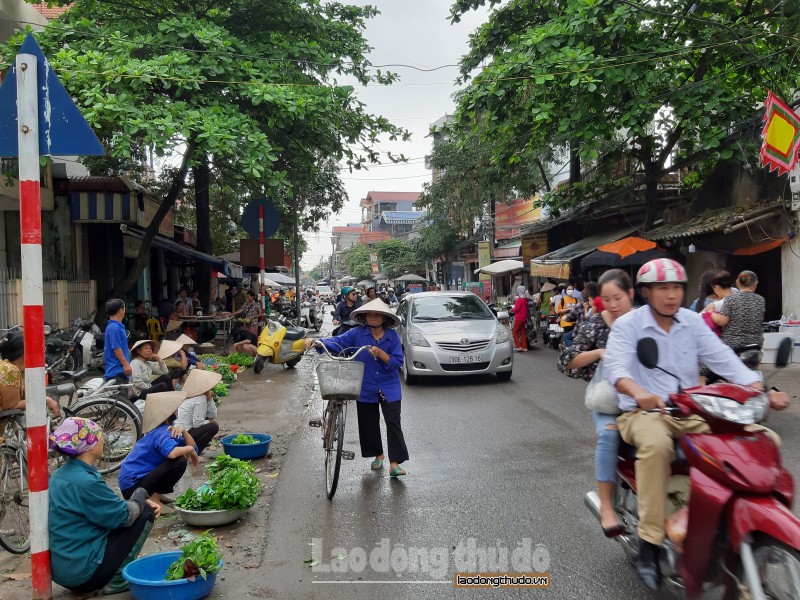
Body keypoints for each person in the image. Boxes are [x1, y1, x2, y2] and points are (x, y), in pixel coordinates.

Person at [603, 258, 788, 590]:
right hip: (643, 414)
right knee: (657, 446)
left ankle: (737, 524)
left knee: (760, 440)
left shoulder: (691, 321)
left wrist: (762, 388)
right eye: (663, 288)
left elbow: (723, 359)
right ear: (646, 292)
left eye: (676, 287)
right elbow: (616, 370)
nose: (672, 295)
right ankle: (649, 541)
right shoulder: (628, 325)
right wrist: (638, 391)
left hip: (689, 412)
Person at [558, 270, 635, 539]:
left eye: (619, 297)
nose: (614, 305)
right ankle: (606, 507)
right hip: (609, 404)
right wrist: (600, 352)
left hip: (645, 401)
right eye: (607, 299)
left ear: (631, 295)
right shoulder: (596, 325)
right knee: (608, 434)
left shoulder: (646, 322)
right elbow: (567, 359)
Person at [48, 417, 160, 595]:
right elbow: (126, 516)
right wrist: (141, 493)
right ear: (90, 444)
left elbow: (107, 510)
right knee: (146, 511)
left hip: (63, 571)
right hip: (83, 576)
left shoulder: (59, 475)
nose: (103, 440)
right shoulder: (86, 482)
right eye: (100, 436)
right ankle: (115, 581)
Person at [305, 298, 409, 476]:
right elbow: (337, 342)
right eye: (370, 314)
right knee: (368, 423)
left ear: (384, 318)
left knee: (393, 422)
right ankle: (378, 455)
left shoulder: (392, 337)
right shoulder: (356, 334)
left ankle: (394, 463)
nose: (374, 317)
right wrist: (317, 343)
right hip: (365, 385)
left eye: (378, 315)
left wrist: (382, 354)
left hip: (388, 386)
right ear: (365, 317)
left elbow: (397, 362)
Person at [118, 391, 199, 508]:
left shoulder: (166, 430)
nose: (177, 412)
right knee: (179, 462)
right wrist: (189, 449)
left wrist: (184, 431)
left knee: (179, 457)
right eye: (175, 410)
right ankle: (154, 499)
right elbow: (173, 454)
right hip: (133, 487)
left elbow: (194, 447)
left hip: (132, 485)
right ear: (168, 414)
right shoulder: (162, 433)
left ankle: (155, 494)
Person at [0, 330, 60, 415]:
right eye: (39, 348)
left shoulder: (19, 369)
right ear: (26, 351)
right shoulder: (9, 370)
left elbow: (26, 394)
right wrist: (46, 400)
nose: (43, 353)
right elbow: (11, 406)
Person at [708, 270, 765, 352]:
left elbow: (722, 321)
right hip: (756, 344)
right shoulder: (761, 300)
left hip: (733, 345)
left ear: (737, 283)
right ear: (756, 284)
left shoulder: (730, 299)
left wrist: (711, 313)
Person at [173, 369, 221, 455]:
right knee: (213, 426)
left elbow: (212, 414)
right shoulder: (200, 399)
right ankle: (194, 452)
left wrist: (209, 396)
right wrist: (209, 422)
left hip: (178, 431)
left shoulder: (190, 395)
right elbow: (197, 423)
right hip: (182, 434)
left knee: (208, 421)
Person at [129, 340, 175, 406]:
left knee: (165, 378)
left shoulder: (148, 364)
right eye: (146, 348)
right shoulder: (135, 363)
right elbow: (137, 383)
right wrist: (150, 388)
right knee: (162, 385)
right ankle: (167, 404)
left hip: (147, 388)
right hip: (138, 393)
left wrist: (159, 358)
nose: (149, 350)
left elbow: (165, 372)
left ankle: (172, 400)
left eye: (150, 349)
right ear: (138, 351)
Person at [103, 298, 132, 382]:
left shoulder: (115, 326)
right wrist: (125, 364)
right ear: (120, 310)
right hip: (116, 372)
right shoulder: (114, 328)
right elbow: (116, 348)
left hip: (119, 371)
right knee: (120, 395)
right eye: (124, 309)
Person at [562, 281, 598, 348]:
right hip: (595, 332)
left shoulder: (583, 303)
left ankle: (575, 350)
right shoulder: (599, 302)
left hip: (582, 330)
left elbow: (572, 314)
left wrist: (566, 318)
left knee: (566, 337)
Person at [510, 285, 529, 352]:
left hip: (519, 318)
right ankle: (524, 347)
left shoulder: (519, 299)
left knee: (514, 332)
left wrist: (511, 310)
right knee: (522, 332)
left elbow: (517, 309)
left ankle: (518, 347)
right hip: (524, 318)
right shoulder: (525, 299)